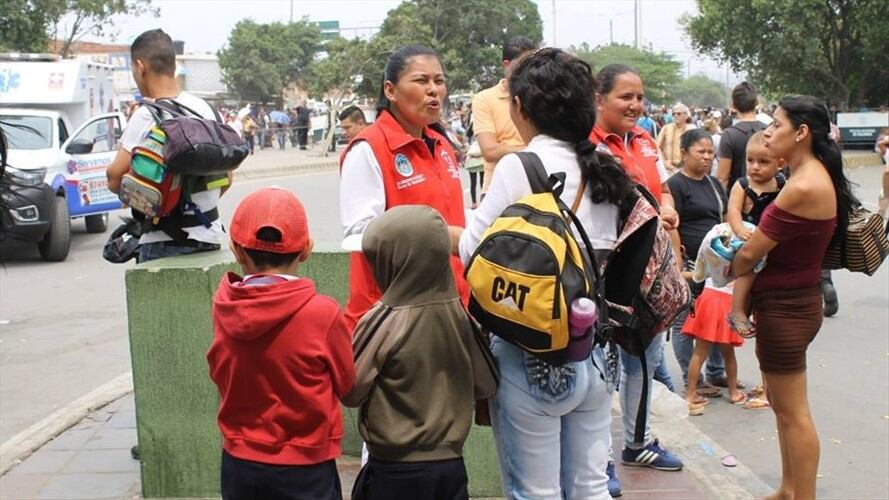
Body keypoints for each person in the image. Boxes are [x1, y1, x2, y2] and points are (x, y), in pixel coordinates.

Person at [455, 48, 629, 500]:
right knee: (590, 488)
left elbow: (472, 249)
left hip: (532, 356)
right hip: (595, 355)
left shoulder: (522, 167)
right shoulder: (608, 169)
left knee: (536, 493)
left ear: (520, 108)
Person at [731, 95, 855, 500]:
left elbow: (750, 252)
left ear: (801, 133)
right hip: (790, 303)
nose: (768, 132)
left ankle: (802, 496)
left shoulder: (802, 185)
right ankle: (788, 489)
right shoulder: (808, 175)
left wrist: (730, 263)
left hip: (788, 308)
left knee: (794, 414)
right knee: (784, 410)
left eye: (777, 125)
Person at [207, 187, 355, 500]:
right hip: (306, 467)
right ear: (306, 249)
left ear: (236, 250)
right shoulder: (322, 312)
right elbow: (347, 384)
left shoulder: (223, 306)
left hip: (240, 463)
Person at [344, 205, 495, 500]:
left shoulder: (383, 320)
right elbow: (488, 382)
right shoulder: (460, 317)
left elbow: (351, 389)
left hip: (393, 468)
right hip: (449, 465)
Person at [588, 64, 684, 496]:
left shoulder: (645, 140)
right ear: (599, 98)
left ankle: (637, 444)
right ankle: (599, 462)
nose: (635, 105)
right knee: (600, 371)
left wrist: (665, 205)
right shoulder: (586, 146)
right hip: (607, 275)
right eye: (625, 96)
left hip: (649, 277)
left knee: (641, 361)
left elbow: (662, 189)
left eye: (640, 97)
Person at [338, 45, 468, 331]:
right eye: (421, 81)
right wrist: (440, 237)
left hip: (451, 307)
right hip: (395, 318)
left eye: (439, 81)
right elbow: (358, 234)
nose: (433, 90)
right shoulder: (368, 149)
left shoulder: (442, 144)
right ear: (390, 90)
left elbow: (453, 215)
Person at [106, 28, 228, 264]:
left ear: (140, 67)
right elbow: (227, 177)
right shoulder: (205, 110)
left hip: (163, 241)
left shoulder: (146, 115)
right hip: (210, 235)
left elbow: (114, 178)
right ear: (173, 65)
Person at [666, 129, 746, 415]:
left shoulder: (714, 184)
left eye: (710, 152)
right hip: (690, 265)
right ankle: (694, 380)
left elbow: (725, 218)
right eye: (700, 152)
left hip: (717, 265)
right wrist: (677, 263)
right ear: (684, 153)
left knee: (714, 319)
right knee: (685, 322)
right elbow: (671, 225)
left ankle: (715, 372)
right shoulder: (674, 185)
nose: (707, 157)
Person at [725, 131, 785, 337]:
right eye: (750, 160)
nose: (755, 166)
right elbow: (732, 210)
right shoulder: (742, 185)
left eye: (763, 162)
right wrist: (739, 229)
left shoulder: (782, 184)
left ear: (780, 163)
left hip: (771, 239)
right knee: (748, 270)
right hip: (747, 237)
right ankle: (737, 310)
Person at [472, 36, 537, 196]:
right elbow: (490, 151)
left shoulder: (541, 96)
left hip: (535, 188)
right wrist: (537, 149)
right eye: (525, 66)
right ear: (507, 65)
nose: (532, 71)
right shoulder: (484, 99)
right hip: (497, 190)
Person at [716, 82, 767, 191]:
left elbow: (722, 177)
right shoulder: (768, 131)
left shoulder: (729, 135)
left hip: (737, 197)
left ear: (733, 105)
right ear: (756, 103)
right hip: (767, 196)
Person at [657, 103, 692, 173]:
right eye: (674, 114)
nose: (675, 116)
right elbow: (657, 147)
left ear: (685, 115)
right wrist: (664, 162)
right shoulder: (666, 128)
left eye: (679, 114)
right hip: (667, 169)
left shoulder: (691, 129)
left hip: (685, 169)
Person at [876, 128, 889, 217]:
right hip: (887, 176)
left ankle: (878, 219)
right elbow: (880, 143)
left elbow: (881, 143)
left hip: (887, 176)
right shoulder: (886, 152)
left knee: (884, 198)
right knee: (884, 198)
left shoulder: (886, 152)